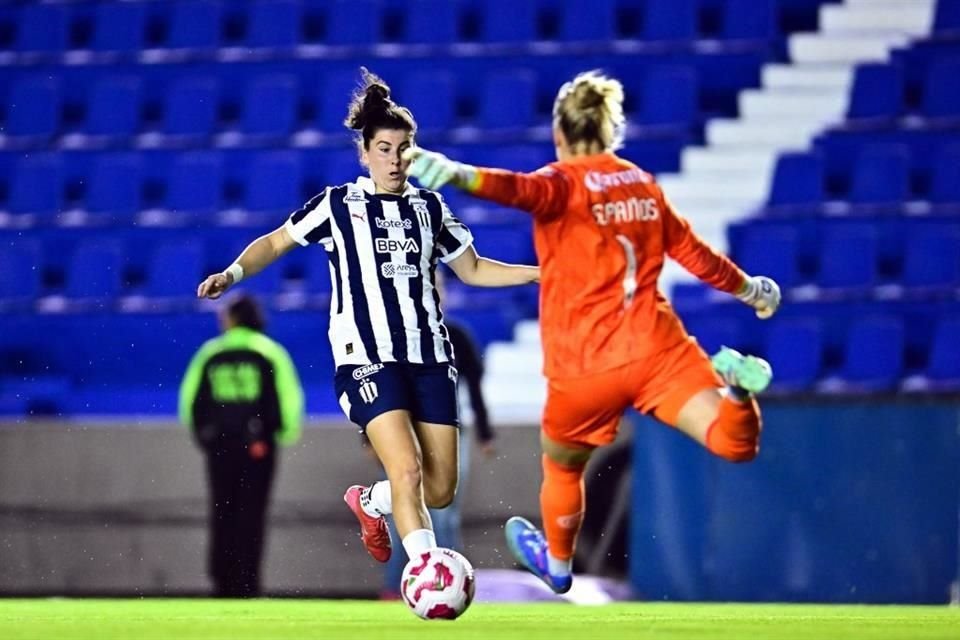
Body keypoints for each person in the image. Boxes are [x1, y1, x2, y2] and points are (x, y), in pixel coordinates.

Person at [403, 70, 782, 594]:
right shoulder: (645, 187)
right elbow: (696, 254)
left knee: (562, 466)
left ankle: (558, 565)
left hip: (584, 366)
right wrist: (750, 290)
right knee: (732, 443)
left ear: (560, 133)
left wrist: (455, 173)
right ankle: (737, 391)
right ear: (612, 133)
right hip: (656, 348)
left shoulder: (560, 183)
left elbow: (516, 189)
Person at [196, 69, 538, 577]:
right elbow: (275, 242)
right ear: (365, 153)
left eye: (403, 149)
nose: (395, 159)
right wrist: (234, 272)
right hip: (366, 359)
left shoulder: (431, 209)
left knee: (440, 489)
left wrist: (538, 273)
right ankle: (427, 572)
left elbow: (473, 268)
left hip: (430, 358)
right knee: (407, 468)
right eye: (384, 148)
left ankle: (372, 502)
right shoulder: (338, 206)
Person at [377, 267, 495, 599]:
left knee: (444, 512)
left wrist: (485, 433)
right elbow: (380, 391)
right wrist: (368, 436)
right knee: (402, 509)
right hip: (401, 433)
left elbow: (474, 390)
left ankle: (445, 585)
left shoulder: (457, 336)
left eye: (435, 285)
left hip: (447, 432)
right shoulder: (392, 336)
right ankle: (397, 588)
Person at [178, 293, 304, 597]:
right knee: (253, 514)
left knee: (222, 513)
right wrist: (278, 436)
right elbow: (289, 399)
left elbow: (189, 401)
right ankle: (248, 582)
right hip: (258, 449)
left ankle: (221, 583)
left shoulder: (211, 353)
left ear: (233, 318)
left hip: (220, 448)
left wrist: (206, 438)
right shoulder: (269, 352)